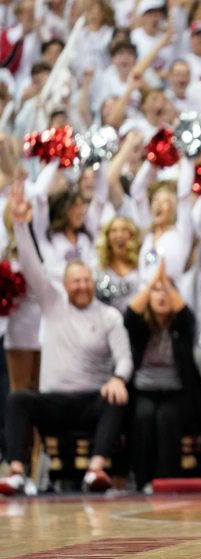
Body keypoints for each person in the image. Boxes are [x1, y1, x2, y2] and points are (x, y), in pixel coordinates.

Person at [0, 176, 133, 495]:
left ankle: (96, 470)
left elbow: (125, 359)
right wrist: (20, 224)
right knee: (18, 398)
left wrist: (118, 378)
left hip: (91, 400)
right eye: (75, 281)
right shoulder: (53, 303)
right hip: (53, 403)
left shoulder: (109, 315)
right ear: (65, 285)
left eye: (86, 280)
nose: (82, 286)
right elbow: (32, 266)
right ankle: (17, 470)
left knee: (116, 399)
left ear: (93, 282)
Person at [124, 260, 201, 492]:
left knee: (167, 417)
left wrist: (166, 283)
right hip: (144, 390)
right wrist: (153, 282)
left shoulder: (182, 327)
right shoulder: (140, 328)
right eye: (156, 292)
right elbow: (129, 316)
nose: (161, 296)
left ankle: (167, 481)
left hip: (177, 392)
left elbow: (188, 316)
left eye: (167, 291)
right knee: (142, 416)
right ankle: (143, 481)